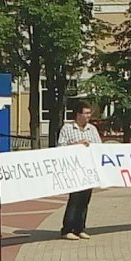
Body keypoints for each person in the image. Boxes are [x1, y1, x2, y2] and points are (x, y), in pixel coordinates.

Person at [58, 101, 102, 240]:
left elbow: (99, 146)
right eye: (86, 113)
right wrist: (77, 145)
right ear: (78, 114)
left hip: (88, 169)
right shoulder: (67, 128)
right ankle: (67, 229)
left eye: (90, 113)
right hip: (74, 169)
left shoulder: (92, 129)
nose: (89, 116)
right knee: (75, 199)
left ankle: (80, 228)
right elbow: (60, 147)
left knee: (85, 200)